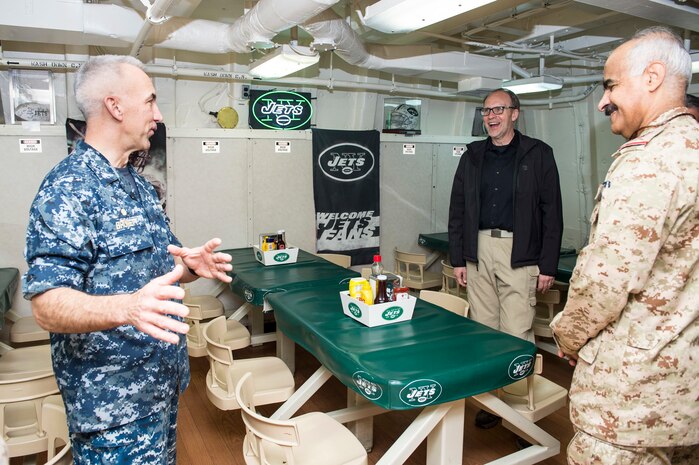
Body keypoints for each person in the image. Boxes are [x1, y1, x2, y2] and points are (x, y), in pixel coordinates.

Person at [23, 55, 233, 465]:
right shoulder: (69, 187)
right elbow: (46, 304)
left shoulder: (137, 185)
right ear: (116, 107)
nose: (157, 114)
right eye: (150, 101)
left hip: (159, 389)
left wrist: (191, 266)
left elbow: (165, 266)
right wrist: (128, 306)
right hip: (111, 411)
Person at [550, 26, 698, 465]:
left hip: (629, 404)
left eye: (611, 85)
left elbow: (605, 280)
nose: (602, 101)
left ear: (652, 77)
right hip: (684, 398)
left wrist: (569, 335)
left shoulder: (650, 159)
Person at [448, 88, 563, 428]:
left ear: (515, 113)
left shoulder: (539, 154)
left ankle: (519, 410)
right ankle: (493, 403)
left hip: (521, 251)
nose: (491, 117)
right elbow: (458, 208)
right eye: (486, 111)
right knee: (484, 332)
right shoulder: (471, 155)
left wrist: (548, 264)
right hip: (478, 250)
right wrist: (458, 257)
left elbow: (552, 212)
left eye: (498, 110)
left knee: (515, 333)